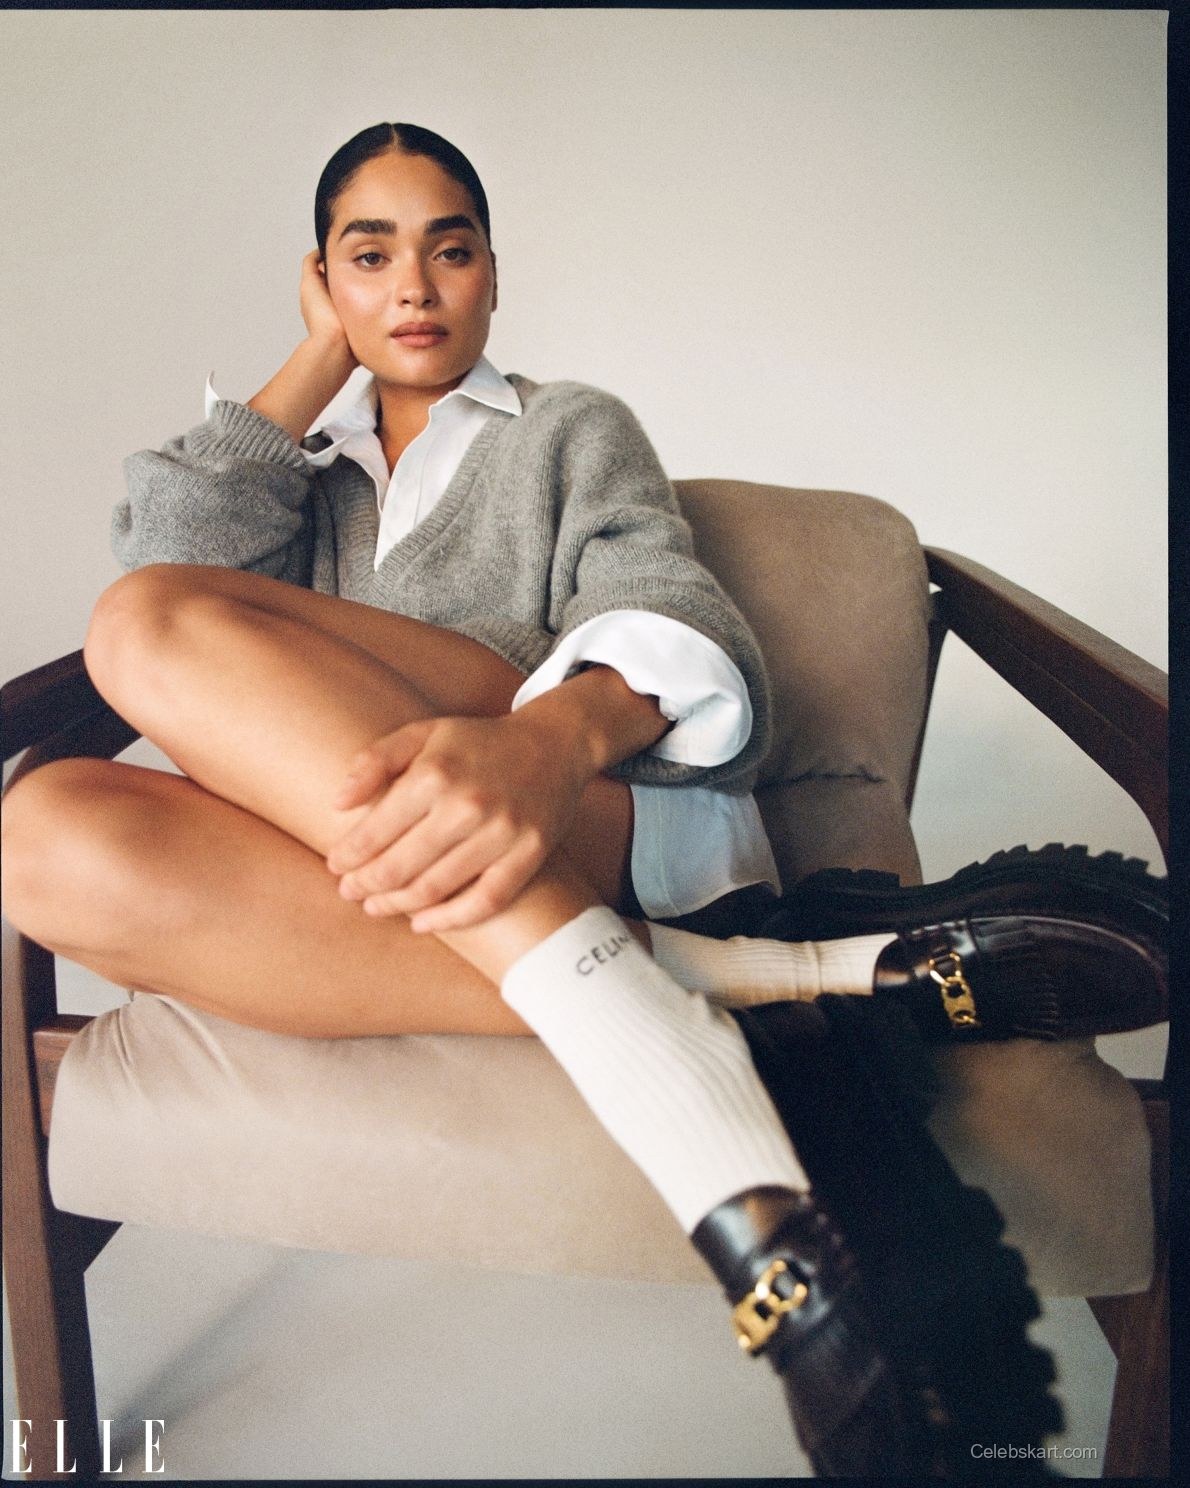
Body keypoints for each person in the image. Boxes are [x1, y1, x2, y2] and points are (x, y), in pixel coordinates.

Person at [0, 122, 1166, 1475]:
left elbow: (671, 611)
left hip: (579, 815)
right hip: (386, 879)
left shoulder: (566, 428)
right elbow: (165, 550)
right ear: (320, 280)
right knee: (40, 834)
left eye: (450, 250)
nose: (414, 287)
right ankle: (754, 978)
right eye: (369, 258)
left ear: (493, 274)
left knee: (142, 621)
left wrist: (544, 746)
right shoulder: (296, 483)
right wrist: (319, 357)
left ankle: (694, 1099)